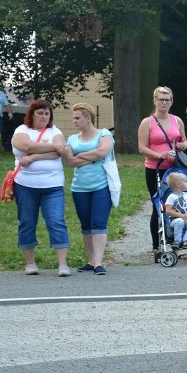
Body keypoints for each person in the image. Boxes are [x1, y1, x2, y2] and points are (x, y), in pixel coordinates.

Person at [11, 100, 70, 276]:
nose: (44, 116)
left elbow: (61, 151)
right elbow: (25, 146)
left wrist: (34, 156)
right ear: (32, 114)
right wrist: (53, 146)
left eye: (47, 113)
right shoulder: (21, 130)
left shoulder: (55, 131)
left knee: (56, 221)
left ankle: (63, 264)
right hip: (25, 185)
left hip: (53, 185)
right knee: (27, 222)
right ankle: (30, 263)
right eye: (40, 113)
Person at [138, 87, 187, 258]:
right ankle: (156, 245)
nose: (164, 102)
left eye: (167, 99)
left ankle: (176, 243)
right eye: (161, 99)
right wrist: (160, 155)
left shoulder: (177, 120)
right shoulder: (147, 122)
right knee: (158, 206)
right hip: (155, 168)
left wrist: (182, 146)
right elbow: (142, 147)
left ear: (172, 101)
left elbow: (184, 140)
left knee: (176, 205)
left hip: (174, 168)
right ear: (154, 101)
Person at [65, 103, 114, 275]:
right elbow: (69, 161)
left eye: (77, 117)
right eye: (73, 118)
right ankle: (91, 260)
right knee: (85, 225)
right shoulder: (71, 139)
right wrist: (92, 157)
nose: (74, 121)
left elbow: (103, 151)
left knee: (98, 223)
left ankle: (99, 263)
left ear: (88, 118)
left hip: (101, 186)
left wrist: (80, 156)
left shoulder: (104, 134)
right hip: (79, 188)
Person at [163, 172, 187, 248]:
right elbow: (168, 211)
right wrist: (181, 216)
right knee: (180, 221)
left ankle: (185, 240)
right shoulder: (171, 197)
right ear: (179, 185)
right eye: (185, 182)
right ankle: (177, 241)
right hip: (175, 220)